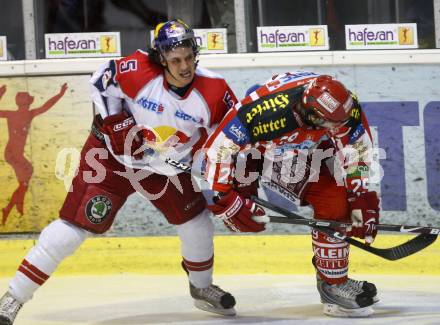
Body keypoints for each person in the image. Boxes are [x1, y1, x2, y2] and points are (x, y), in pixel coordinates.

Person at [0, 19, 238, 325]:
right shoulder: (136, 69)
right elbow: (100, 80)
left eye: (188, 57)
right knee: (70, 231)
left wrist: (217, 173)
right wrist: (116, 124)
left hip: (164, 169)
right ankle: (13, 299)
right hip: (110, 160)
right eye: (175, 60)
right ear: (161, 58)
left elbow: (229, 137)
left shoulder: (215, 89)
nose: (184, 67)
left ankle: (201, 287)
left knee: (196, 223)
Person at [201, 71, 381, 317]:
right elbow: (218, 148)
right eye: (332, 123)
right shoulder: (264, 113)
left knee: (339, 199)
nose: (339, 127)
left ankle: (333, 282)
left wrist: (360, 194)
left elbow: (356, 147)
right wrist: (225, 195)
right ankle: (333, 281)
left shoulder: (345, 106)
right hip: (260, 154)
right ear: (310, 114)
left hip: (305, 148)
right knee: (333, 198)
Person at [0, 84, 68, 225]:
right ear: (27, 102)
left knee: (23, 182)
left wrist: (60, 94)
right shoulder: (23, 114)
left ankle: (14, 206)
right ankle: (12, 206)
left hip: (12, 153)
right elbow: (46, 105)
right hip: (13, 153)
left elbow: (47, 105)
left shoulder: (21, 114)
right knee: (26, 176)